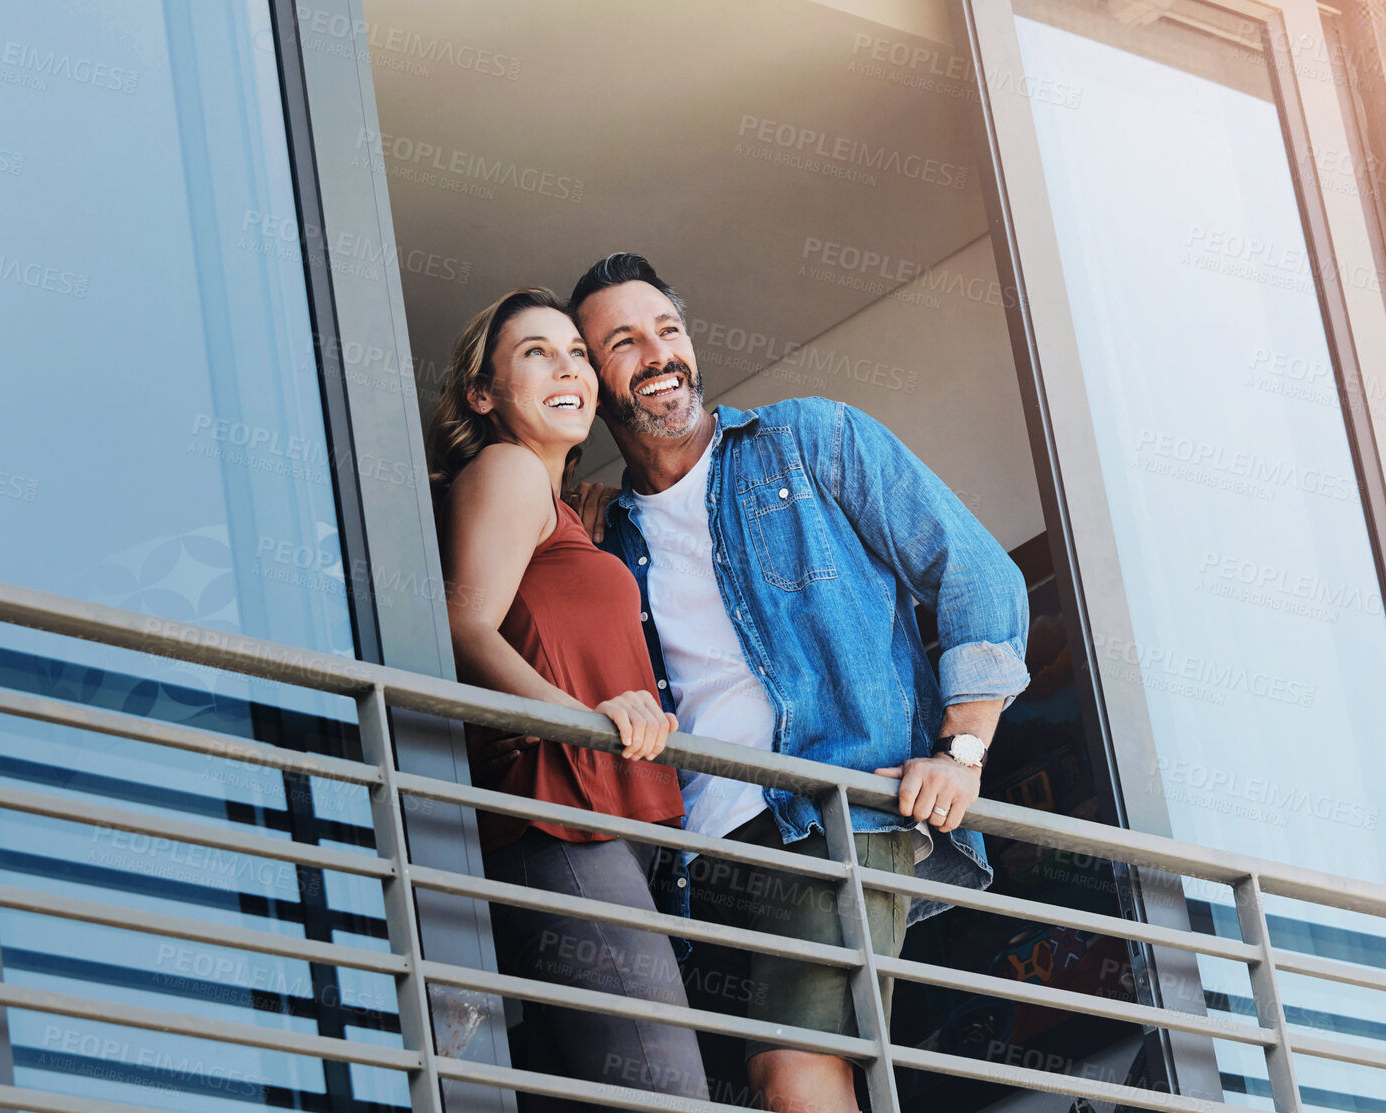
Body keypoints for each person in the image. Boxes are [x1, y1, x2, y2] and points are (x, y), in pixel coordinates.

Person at [567, 253, 1030, 1113]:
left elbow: (978, 577)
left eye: (667, 329)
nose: (658, 354)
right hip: (691, 856)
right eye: (624, 342)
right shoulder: (605, 534)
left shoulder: (813, 438)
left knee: (796, 1076)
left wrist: (960, 753)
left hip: (835, 812)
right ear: (591, 379)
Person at [427, 287, 708, 1109]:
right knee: (666, 1087)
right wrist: (578, 720)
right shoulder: (507, 467)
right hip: (554, 816)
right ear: (484, 396)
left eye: (577, 353)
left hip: (595, 820)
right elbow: (464, 625)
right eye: (536, 353)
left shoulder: (566, 513)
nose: (568, 368)